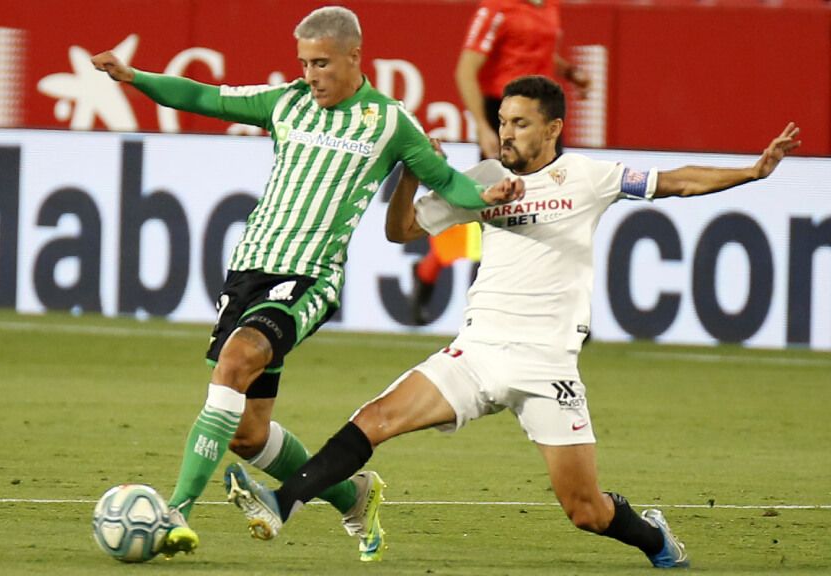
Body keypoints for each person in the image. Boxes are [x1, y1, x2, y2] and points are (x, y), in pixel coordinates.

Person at [225, 75, 801, 568]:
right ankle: (282, 505)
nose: (506, 133)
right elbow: (402, 232)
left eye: (521, 124)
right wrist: (409, 177)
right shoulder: (479, 180)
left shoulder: (587, 176)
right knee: (375, 419)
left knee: (586, 511)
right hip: (475, 353)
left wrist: (751, 172)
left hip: (546, 365)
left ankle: (654, 537)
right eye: (503, 121)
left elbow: (673, 181)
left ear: (552, 129)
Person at [90, 6, 520, 562]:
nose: (310, 74)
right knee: (247, 433)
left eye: (320, 63)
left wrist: (483, 197)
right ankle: (352, 496)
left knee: (236, 362)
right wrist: (135, 77)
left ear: (353, 57)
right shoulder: (287, 103)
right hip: (248, 270)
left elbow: (447, 182)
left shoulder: (390, 122)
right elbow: (203, 96)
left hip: (310, 276)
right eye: (303, 62)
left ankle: (178, 511)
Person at [410, 0, 591, 325]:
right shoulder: (496, 9)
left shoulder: (548, 6)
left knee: (555, 212)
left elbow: (536, 51)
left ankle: (563, 310)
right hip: (506, 117)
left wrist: (569, 72)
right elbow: (466, 69)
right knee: (494, 215)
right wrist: (482, 125)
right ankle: (436, 275)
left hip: (542, 120)